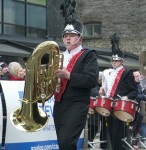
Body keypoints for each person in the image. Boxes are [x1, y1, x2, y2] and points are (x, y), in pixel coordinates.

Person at [53, 20, 99, 150]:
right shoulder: (58, 56)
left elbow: (91, 79)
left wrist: (68, 75)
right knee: (62, 143)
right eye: (65, 36)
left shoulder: (88, 55)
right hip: (59, 102)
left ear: (80, 38)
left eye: (72, 35)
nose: (68, 39)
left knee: (66, 141)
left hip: (77, 102)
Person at [99, 33, 137, 150]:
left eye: (117, 61)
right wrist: (102, 91)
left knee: (117, 132)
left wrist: (127, 97)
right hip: (109, 105)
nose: (114, 62)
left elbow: (134, 91)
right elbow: (105, 90)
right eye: (113, 60)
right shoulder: (106, 72)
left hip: (120, 105)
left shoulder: (127, 73)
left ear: (122, 61)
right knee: (110, 131)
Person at [88, 72, 103, 148]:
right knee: (92, 127)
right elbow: (94, 93)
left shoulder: (99, 85)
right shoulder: (94, 85)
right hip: (92, 109)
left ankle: (90, 142)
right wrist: (100, 94)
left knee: (95, 128)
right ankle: (89, 142)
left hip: (96, 111)